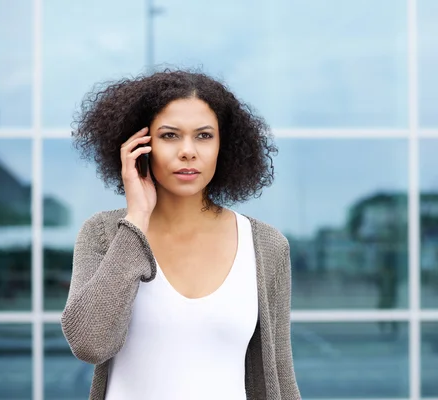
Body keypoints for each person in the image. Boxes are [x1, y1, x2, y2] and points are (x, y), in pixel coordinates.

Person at [60, 69, 301, 400]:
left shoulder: (266, 246)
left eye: (203, 136)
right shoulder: (103, 233)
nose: (188, 151)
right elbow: (90, 342)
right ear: (140, 145)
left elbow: (280, 374)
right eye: (170, 135)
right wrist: (137, 219)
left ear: (223, 146)